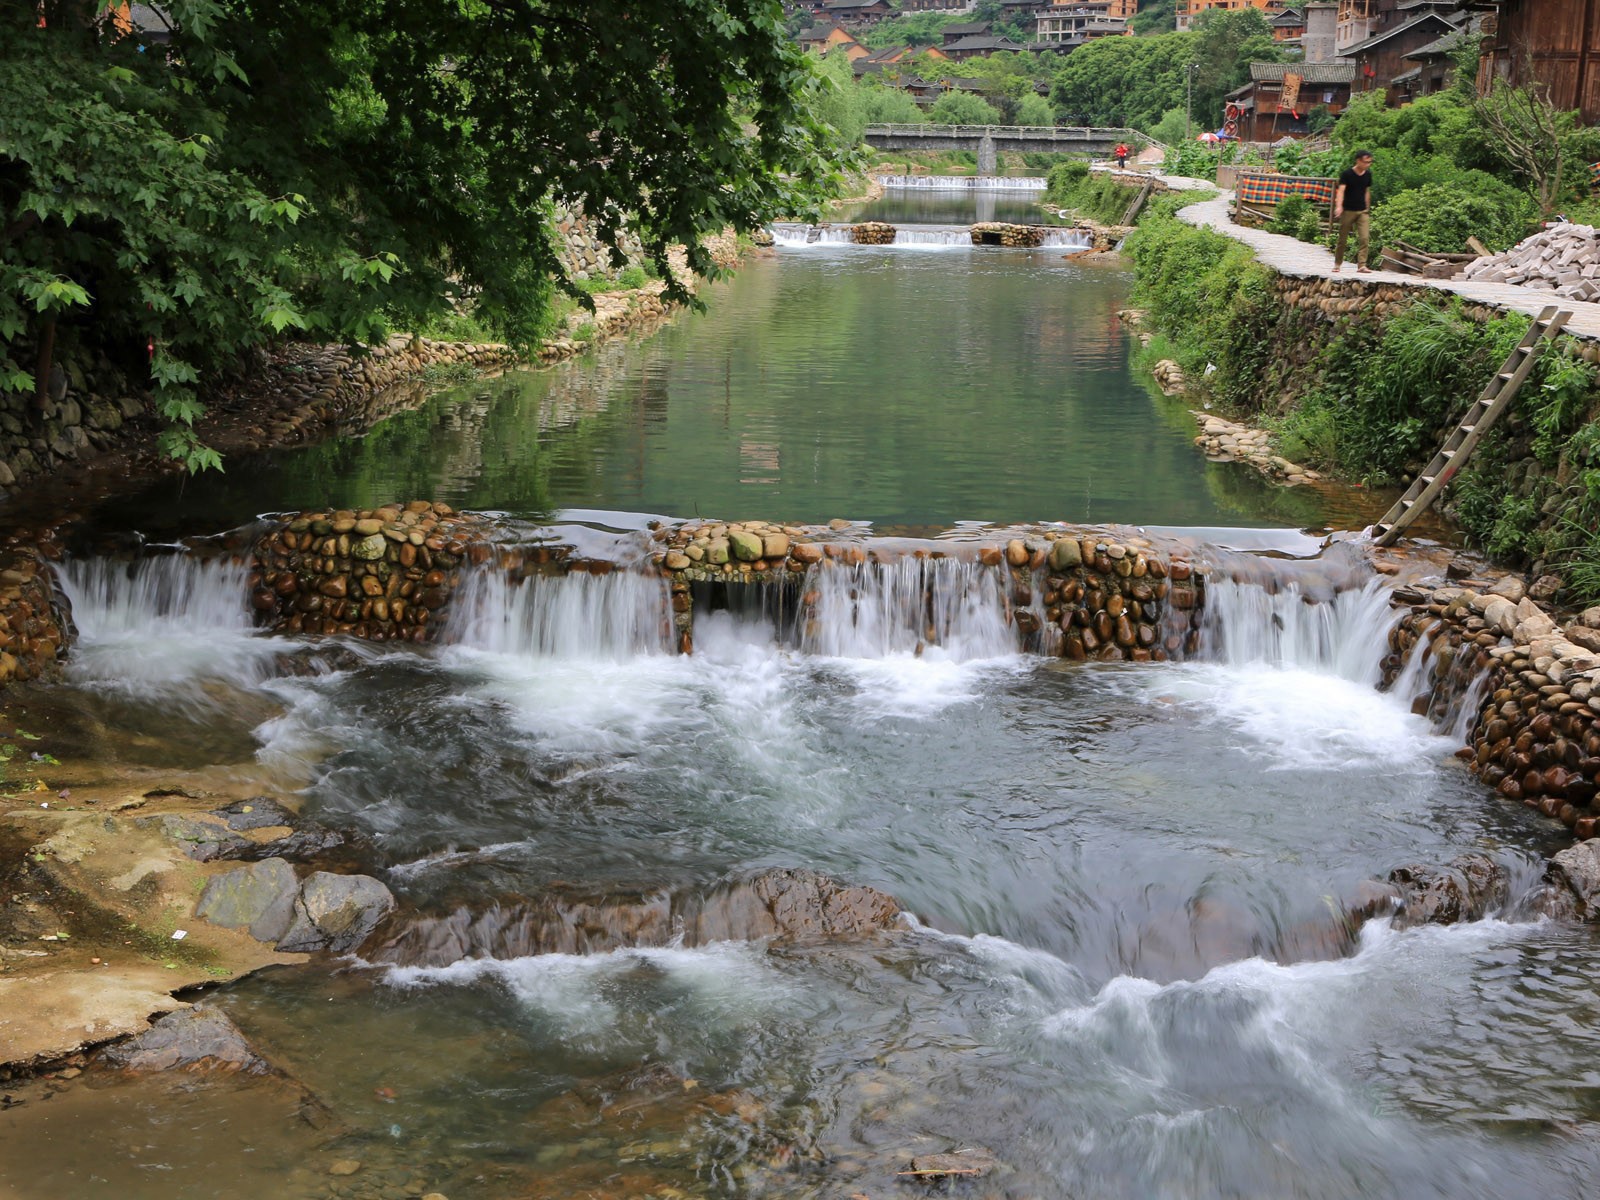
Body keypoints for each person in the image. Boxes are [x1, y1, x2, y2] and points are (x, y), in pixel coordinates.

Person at [1332, 150, 1374, 274]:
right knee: (1342, 239)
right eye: (1366, 162)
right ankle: (1337, 263)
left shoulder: (1368, 175)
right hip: (1348, 210)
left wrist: (1367, 206)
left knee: (1364, 238)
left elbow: (1367, 191)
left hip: (1362, 211)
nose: (1368, 164)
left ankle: (1362, 265)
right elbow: (1341, 191)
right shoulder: (1347, 174)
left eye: (1370, 162)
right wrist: (1339, 206)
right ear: (1358, 161)